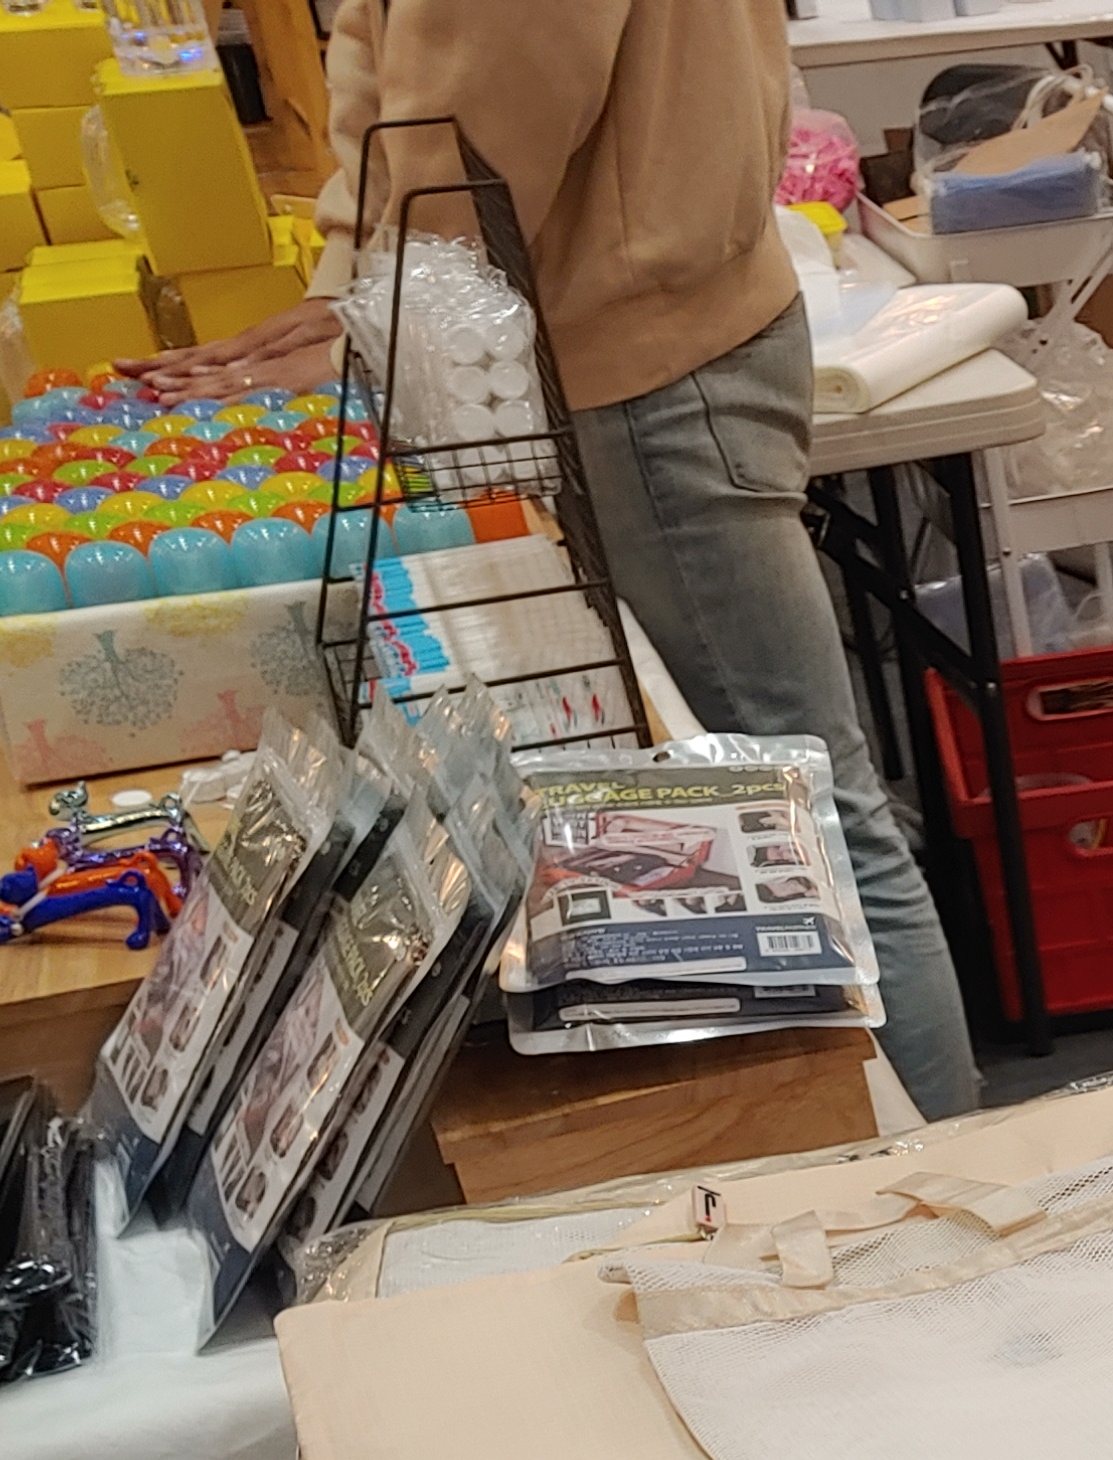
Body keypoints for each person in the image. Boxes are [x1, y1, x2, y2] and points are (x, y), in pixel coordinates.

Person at [129, 0, 983, 1117]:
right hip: (631, 332)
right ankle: (881, 1159)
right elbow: (385, 65)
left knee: (807, 818)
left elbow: (476, 121)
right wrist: (358, 283)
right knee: (784, 808)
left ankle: (944, 1174)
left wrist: (391, 309)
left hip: (647, 366)